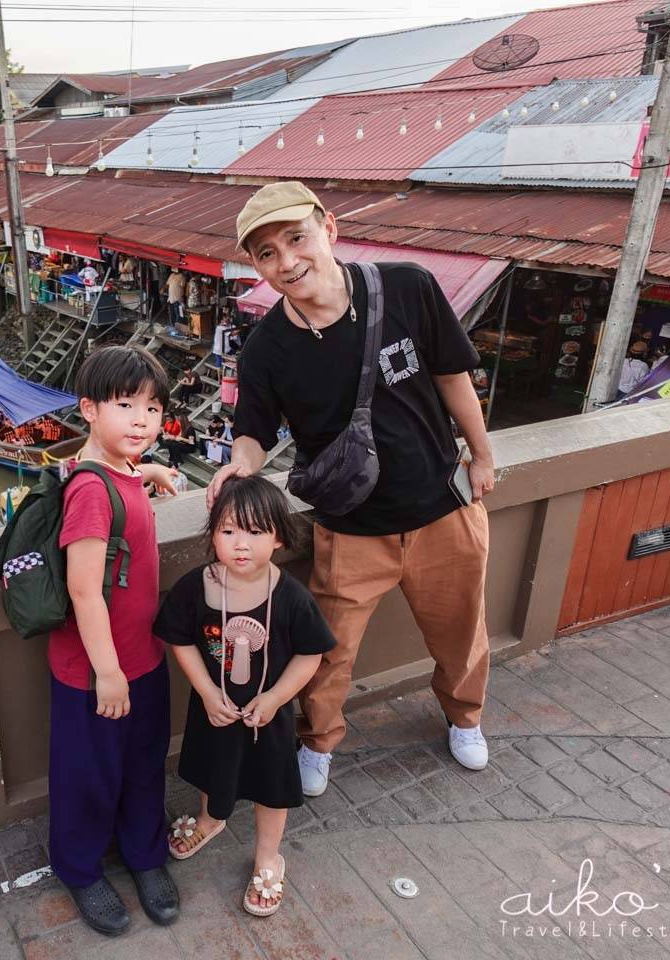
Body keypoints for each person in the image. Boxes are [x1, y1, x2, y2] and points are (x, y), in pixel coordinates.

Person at [210, 181, 496, 800]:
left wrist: (482, 454)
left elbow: (453, 377)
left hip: (443, 507)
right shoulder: (265, 348)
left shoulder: (408, 287)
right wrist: (239, 465)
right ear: (254, 265)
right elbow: (255, 432)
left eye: (295, 238)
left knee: (461, 628)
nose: (286, 261)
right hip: (348, 524)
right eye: (265, 253)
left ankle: (465, 716)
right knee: (327, 651)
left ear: (328, 229)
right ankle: (318, 741)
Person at [156, 475, 335, 917]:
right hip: (214, 708)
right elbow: (180, 640)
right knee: (212, 769)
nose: (241, 543)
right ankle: (211, 819)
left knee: (271, 789)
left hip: (267, 716)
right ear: (212, 533)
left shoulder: (291, 597)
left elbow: (310, 656)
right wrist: (205, 689)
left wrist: (275, 697)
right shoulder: (195, 587)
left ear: (278, 537)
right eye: (229, 530)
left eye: (256, 532)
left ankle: (268, 857)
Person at [49, 345, 179, 937]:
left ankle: (144, 854)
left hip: (144, 659)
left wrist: (145, 471)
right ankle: (79, 867)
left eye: (151, 410)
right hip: (96, 671)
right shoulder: (89, 492)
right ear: (89, 409)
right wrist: (106, 672)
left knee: (143, 766)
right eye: (124, 405)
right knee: (91, 774)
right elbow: (83, 590)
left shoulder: (121, 472)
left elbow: (111, 466)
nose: (140, 422)